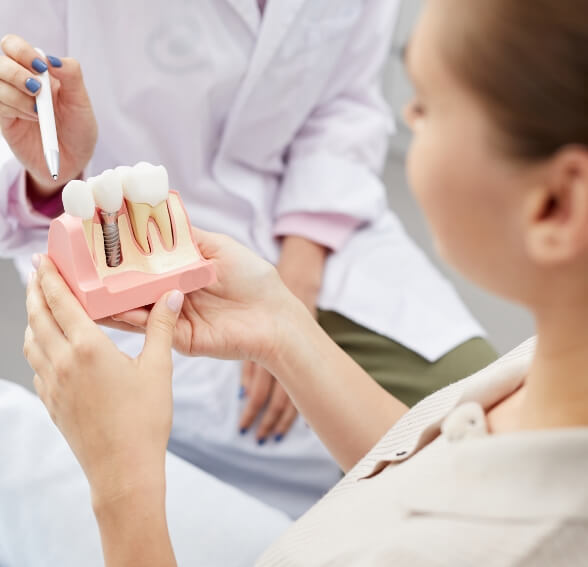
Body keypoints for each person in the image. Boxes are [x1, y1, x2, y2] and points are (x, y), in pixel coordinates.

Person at [20, 0, 588, 564]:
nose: (408, 118)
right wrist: (282, 328)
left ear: (555, 207)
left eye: (426, 106)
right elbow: (441, 475)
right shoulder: (536, 379)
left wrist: (123, 484)